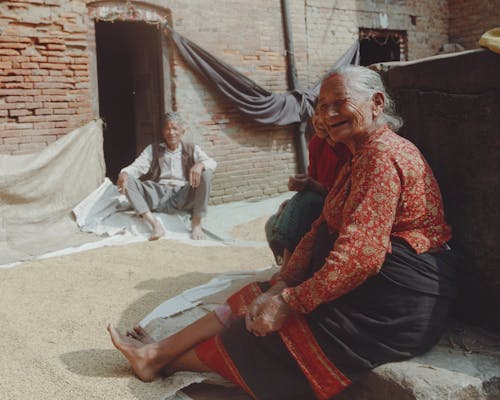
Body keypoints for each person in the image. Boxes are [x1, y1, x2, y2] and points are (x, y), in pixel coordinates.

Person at [108, 66, 459, 399]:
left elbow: (360, 257)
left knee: (263, 335)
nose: (328, 114)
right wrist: (283, 284)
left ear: (377, 103)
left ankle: (158, 360)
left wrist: (290, 301)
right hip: (376, 290)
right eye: (323, 107)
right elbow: (322, 227)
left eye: (340, 103)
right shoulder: (359, 155)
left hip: (396, 309)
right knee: (256, 297)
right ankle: (157, 351)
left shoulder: (382, 155)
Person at [264, 116, 350, 266]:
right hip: (319, 200)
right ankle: (288, 263)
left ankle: (287, 270)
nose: (318, 119)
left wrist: (311, 185)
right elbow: (313, 179)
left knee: (305, 201)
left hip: (339, 203)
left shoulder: (349, 147)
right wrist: (296, 195)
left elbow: (342, 192)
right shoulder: (317, 143)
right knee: (272, 222)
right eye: (317, 112)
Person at [117, 112, 217, 240]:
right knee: (128, 179)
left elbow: (212, 162)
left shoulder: (191, 148)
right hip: (158, 194)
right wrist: (124, 173)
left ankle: (196, 223)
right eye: (167, 129)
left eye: (175, 128)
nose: (171, 132)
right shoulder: (153, 149)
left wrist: (201, 165)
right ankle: (155, 225)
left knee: (207, 173)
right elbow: (137, 167)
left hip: (183, 194)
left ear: (182, 131)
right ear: (163, 131)